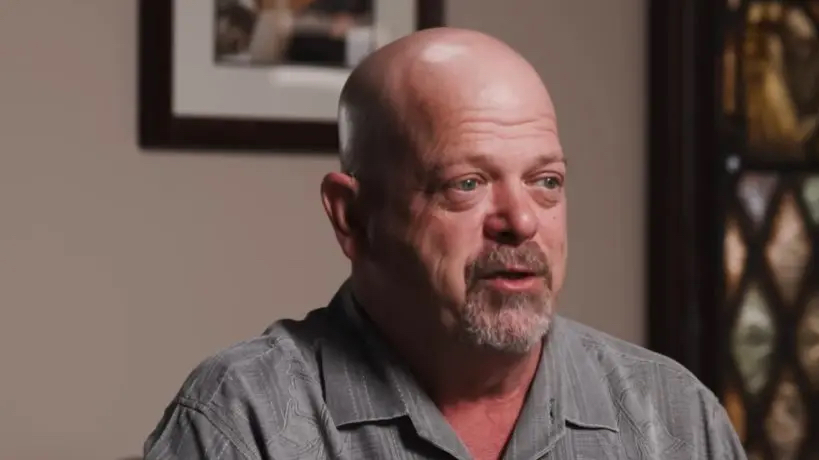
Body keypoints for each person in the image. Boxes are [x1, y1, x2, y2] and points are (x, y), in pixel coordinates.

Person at [143, 27, 747, 460]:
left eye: (545, 182)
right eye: (467, 184)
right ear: (352, 218)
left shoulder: (673, 418)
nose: (521, 221)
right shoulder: (243, 423)